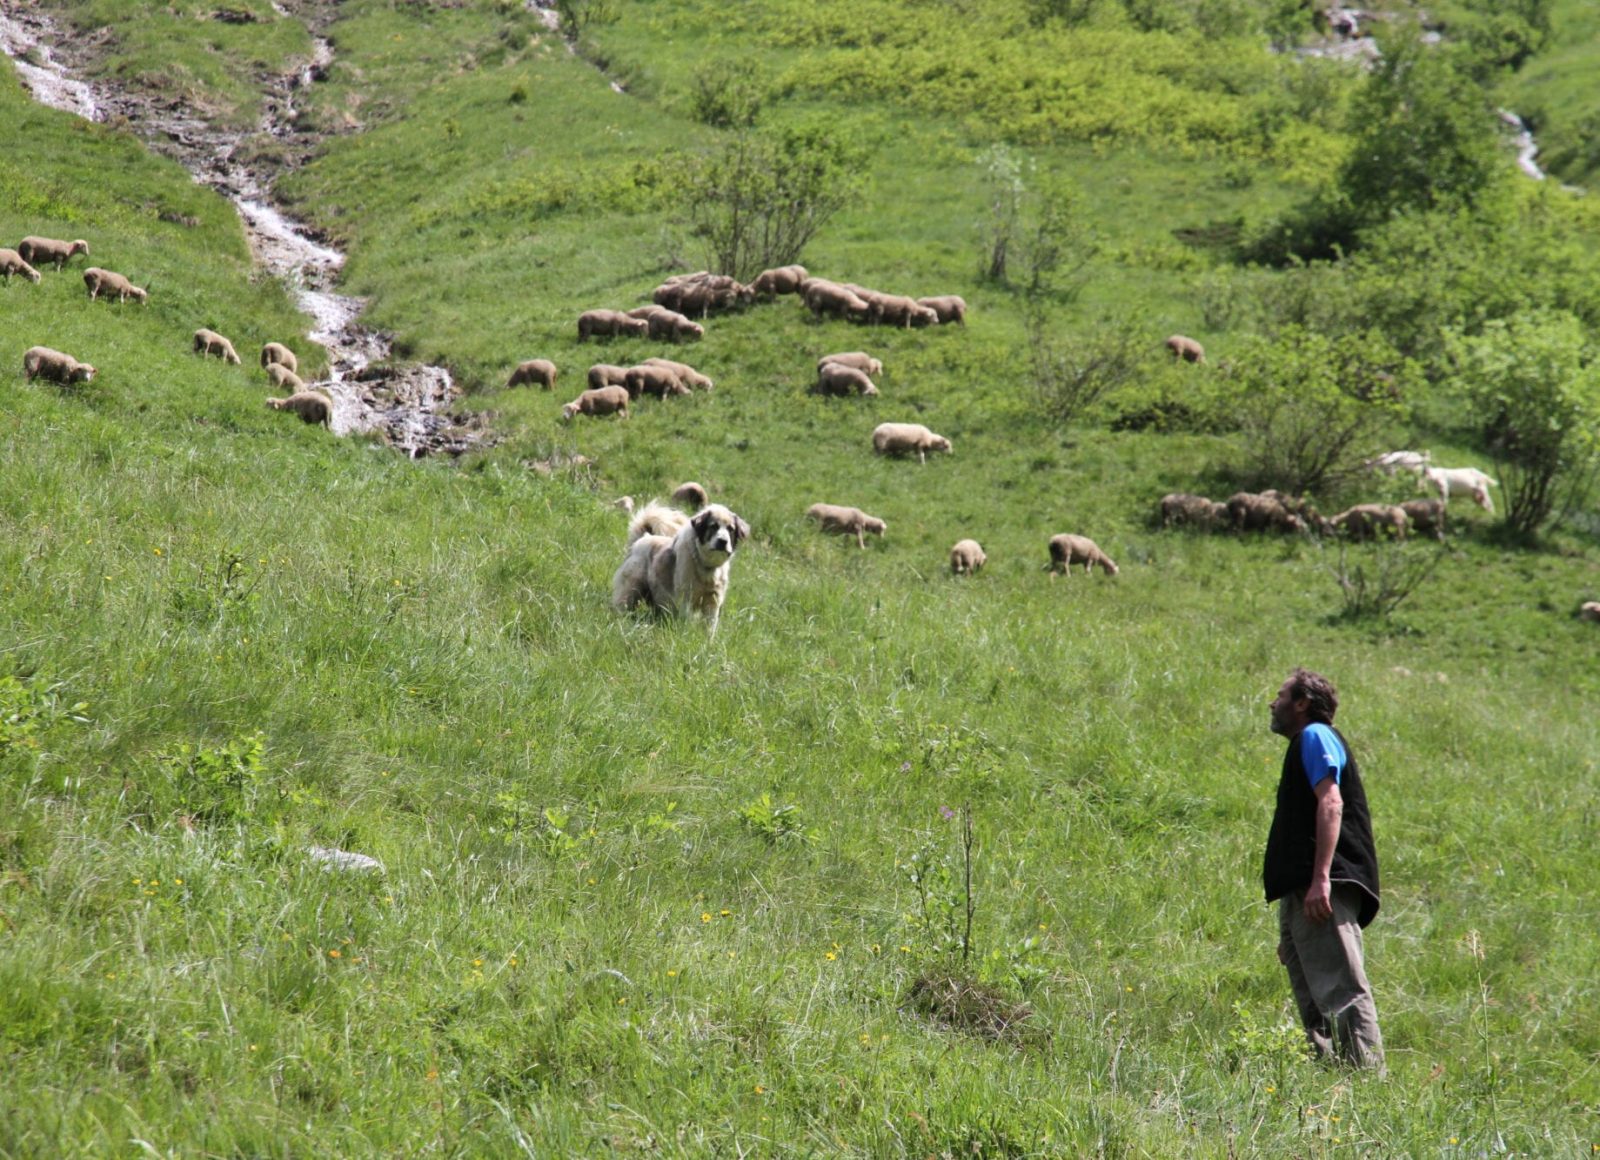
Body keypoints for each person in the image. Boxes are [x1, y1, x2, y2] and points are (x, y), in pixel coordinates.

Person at [1262, 667, 1385, 1070]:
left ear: (1302, 703)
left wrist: (1321, 880)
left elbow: (1331, 803)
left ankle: (1368, 1083)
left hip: (1321, 883)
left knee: (1342, 990)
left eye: (1281, 696)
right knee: (1314, 998)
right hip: (1304, 889)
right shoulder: (1304, 742)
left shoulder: (1315, 735)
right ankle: (1334, 1083)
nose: (1272, 703)